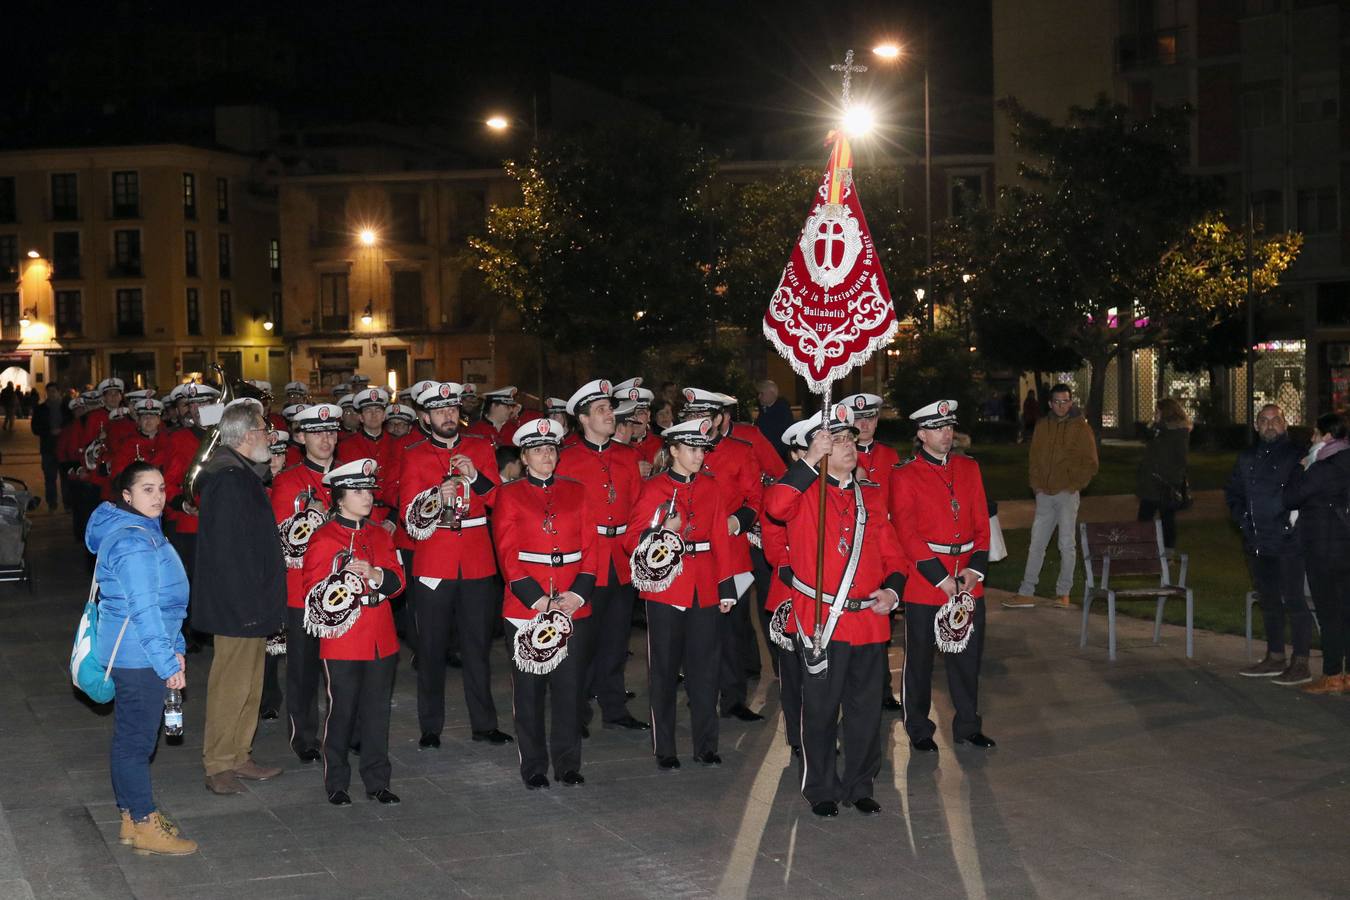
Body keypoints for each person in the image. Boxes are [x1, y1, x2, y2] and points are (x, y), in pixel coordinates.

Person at [765, 404, 906, 818]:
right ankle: (821, 787)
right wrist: (810, 462)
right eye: (837, 440)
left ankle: (861, 784)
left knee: (865, 713)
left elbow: (893, 556)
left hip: (869, 622)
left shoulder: (871, 496)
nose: (849, 445)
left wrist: (893, 593)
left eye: (850, 439)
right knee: (821, 711)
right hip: (820, 622)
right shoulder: (802, 492)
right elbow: (774, 507)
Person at [86, 462, 196, 856]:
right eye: (147, 489)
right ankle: (146, 823)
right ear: (126, 497)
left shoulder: (139, 531)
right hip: (140, 654)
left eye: (162, 487)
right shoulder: (134, 542)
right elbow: (145, 610)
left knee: (129, 741)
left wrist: (177, 648)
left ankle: (131, 820)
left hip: (141, 649)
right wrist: (169, 664)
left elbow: (164, 608)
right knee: (136, 744)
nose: (160, 496)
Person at [398, 381, 512, 748]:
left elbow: (499, 500)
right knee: (431, 648)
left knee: (477, 647)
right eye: (440, 411)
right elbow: (405, 514)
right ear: (426, 417)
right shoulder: (415, 454)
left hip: (477, 560)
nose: (448, 416)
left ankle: (484, 723)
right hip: (435, 559)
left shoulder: (479, 447)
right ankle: (430, 727)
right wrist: (435, 497)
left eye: (452, 409)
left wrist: (475, 478)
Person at [625, 418, 737, 770]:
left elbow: (720, 536)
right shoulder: (654, 488)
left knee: (706, 671)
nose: (699, 456)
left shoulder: (711, 487)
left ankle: (706, 745)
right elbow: (631, 540)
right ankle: (666, 748)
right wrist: (662, 532)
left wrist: (726, 585)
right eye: (691, 449)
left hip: (704, 585)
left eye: (702, 449)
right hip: (666, 588)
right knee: (665, 671)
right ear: (673, 450)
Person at [494, 419, 599, 788]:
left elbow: (591, 548)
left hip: (572, 603)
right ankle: (534, 766)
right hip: (527, 607)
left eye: (551, 449)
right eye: (538, 450)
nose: (546, 456)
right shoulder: (509, 494)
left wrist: (577, 594)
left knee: (570, 690)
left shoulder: (578, 491)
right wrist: (539, 601)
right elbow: (507, 555)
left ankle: (568, 763)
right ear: (523, 457)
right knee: (529, 691)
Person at [191, 398, 288, 795]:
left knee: (251, 681)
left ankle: (239, 754)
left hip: (250, 600)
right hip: (238, 604)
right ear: (248, 436)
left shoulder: (239, 472)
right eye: (265, 430)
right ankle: (218, 764)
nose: (269, 436)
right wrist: (247, 605)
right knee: (231, 683)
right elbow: (229, 552)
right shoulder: (229, 480)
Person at [890, 399, 996, 756]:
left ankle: (968, 725)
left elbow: (983, 523)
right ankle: (919, 727)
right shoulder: (904, 474)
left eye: (949, 427)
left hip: (968, 578)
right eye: (937, 428)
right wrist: (939, 578)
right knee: (919, 660)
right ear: (921, 434)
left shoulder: (969, 468)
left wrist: (974, 569)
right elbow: (906, 533)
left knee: (967, 658)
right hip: (925, 582)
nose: (946, 434)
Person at [304, 458, 404, 806]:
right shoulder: (323, 537)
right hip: (343, 638)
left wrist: (376, 575)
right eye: (359, 491)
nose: (367, 497)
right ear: (340, 497)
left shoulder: (378, 533)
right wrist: (341, 580)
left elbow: (398, 582)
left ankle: (378, 781)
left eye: (369, 491)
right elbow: (312, 592)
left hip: (381, 634)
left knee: (378, 712)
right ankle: (337, 782)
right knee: (341, 710)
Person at [555, 380, 648, 732]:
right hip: (584, 563)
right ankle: (576, 711)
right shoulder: (567, 457)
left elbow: (638, 508)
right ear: (583, 418)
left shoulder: (627, 456)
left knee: (616, 640)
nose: (611, 415)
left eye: (610, 409)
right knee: (580, 642)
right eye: (601, 410)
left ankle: (614, 706)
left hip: (622, 559)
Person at [680, 388, 764, 723]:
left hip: (730, 551)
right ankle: (700, 693)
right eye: (688, 417)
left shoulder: (740, 452)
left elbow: (755, 500)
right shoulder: (679, 451)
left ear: (718, 419)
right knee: (693, 630)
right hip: (689, 556)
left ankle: (733, 698)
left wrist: (736, 521)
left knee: (733, 630)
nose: (694, 423)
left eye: (702, 416)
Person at [270, 404, 342, 760]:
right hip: (304, 590)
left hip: (345, 589)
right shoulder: (288, 481)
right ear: (300, 437)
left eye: (330, 432)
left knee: (346, 670)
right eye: (316, 433)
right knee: (302, 671)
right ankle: (305, 739)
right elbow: (289, 542)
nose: (325, 439)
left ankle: (346, 732)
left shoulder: (349, 477)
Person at [1225, 404, 1311, 685]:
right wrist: (1243, 521)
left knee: (1294, 601)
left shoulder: (1297, 455)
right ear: (1256, 426)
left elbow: (1305, 494)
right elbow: (1234, 493)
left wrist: (1289, 524)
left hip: (1288, 543)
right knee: (1270, 602)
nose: (1270, 425)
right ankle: (1275, 657)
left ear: (1285, 424)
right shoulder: (1247, 457)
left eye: (1275, 420)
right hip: (1256, 542)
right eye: (1264, 420)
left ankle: (1301, 662)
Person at [1007, 383, 1098, 609]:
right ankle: (1026, 591)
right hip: (1044, 494)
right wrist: (1036, 485)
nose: (1061, 406)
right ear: (1050, 403)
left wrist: (1073, 484)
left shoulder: (1081, 428)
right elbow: (1034, 457)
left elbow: (1091, 462)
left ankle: (1063, 593)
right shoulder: (1043, 426)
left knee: (1066, 543)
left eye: (1065, 401)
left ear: (1071, 402)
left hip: (1067, 493)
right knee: (1037, 543)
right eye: (1056, 402)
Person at [842, 392, 903, 711]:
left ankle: (882, 688)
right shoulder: (845, 456)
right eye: (859, 419)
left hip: (885, 548)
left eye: (871, 418)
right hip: (855, 552)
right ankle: (860, 688)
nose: (865, 425)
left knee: (884, 621)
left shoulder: (891, 456)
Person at [1135, 398, 1191, 549]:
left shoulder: (1173, 431)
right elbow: (1146, 434)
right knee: (1162, 518)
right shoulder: (1162, 429)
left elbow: (1178, 459)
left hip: (1162, 483)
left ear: (1165, 412)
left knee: (1154, 518)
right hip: (1157, 482)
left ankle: (1156, 551)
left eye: (1157, 411)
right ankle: (1156, 550)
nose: (1155, 414)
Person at [31, 383, 68, 512]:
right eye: (49, 391)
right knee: (49, 478)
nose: (51, 394)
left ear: (59, 392)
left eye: (53, 391)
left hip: (65, 448)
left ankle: (67, 503)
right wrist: (49, 431)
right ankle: (52, 503)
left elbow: (71, 425)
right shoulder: (40, 409)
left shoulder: (66, 408)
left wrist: (62, 431)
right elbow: (35, 428)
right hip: (48, 447)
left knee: (66, 478)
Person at [755, 379, 794, 462]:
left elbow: (782, 438)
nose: (759, 397)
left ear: (771, 393)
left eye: (762, 393)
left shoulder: (782, 412)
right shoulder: (765, 410)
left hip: (776, 458)